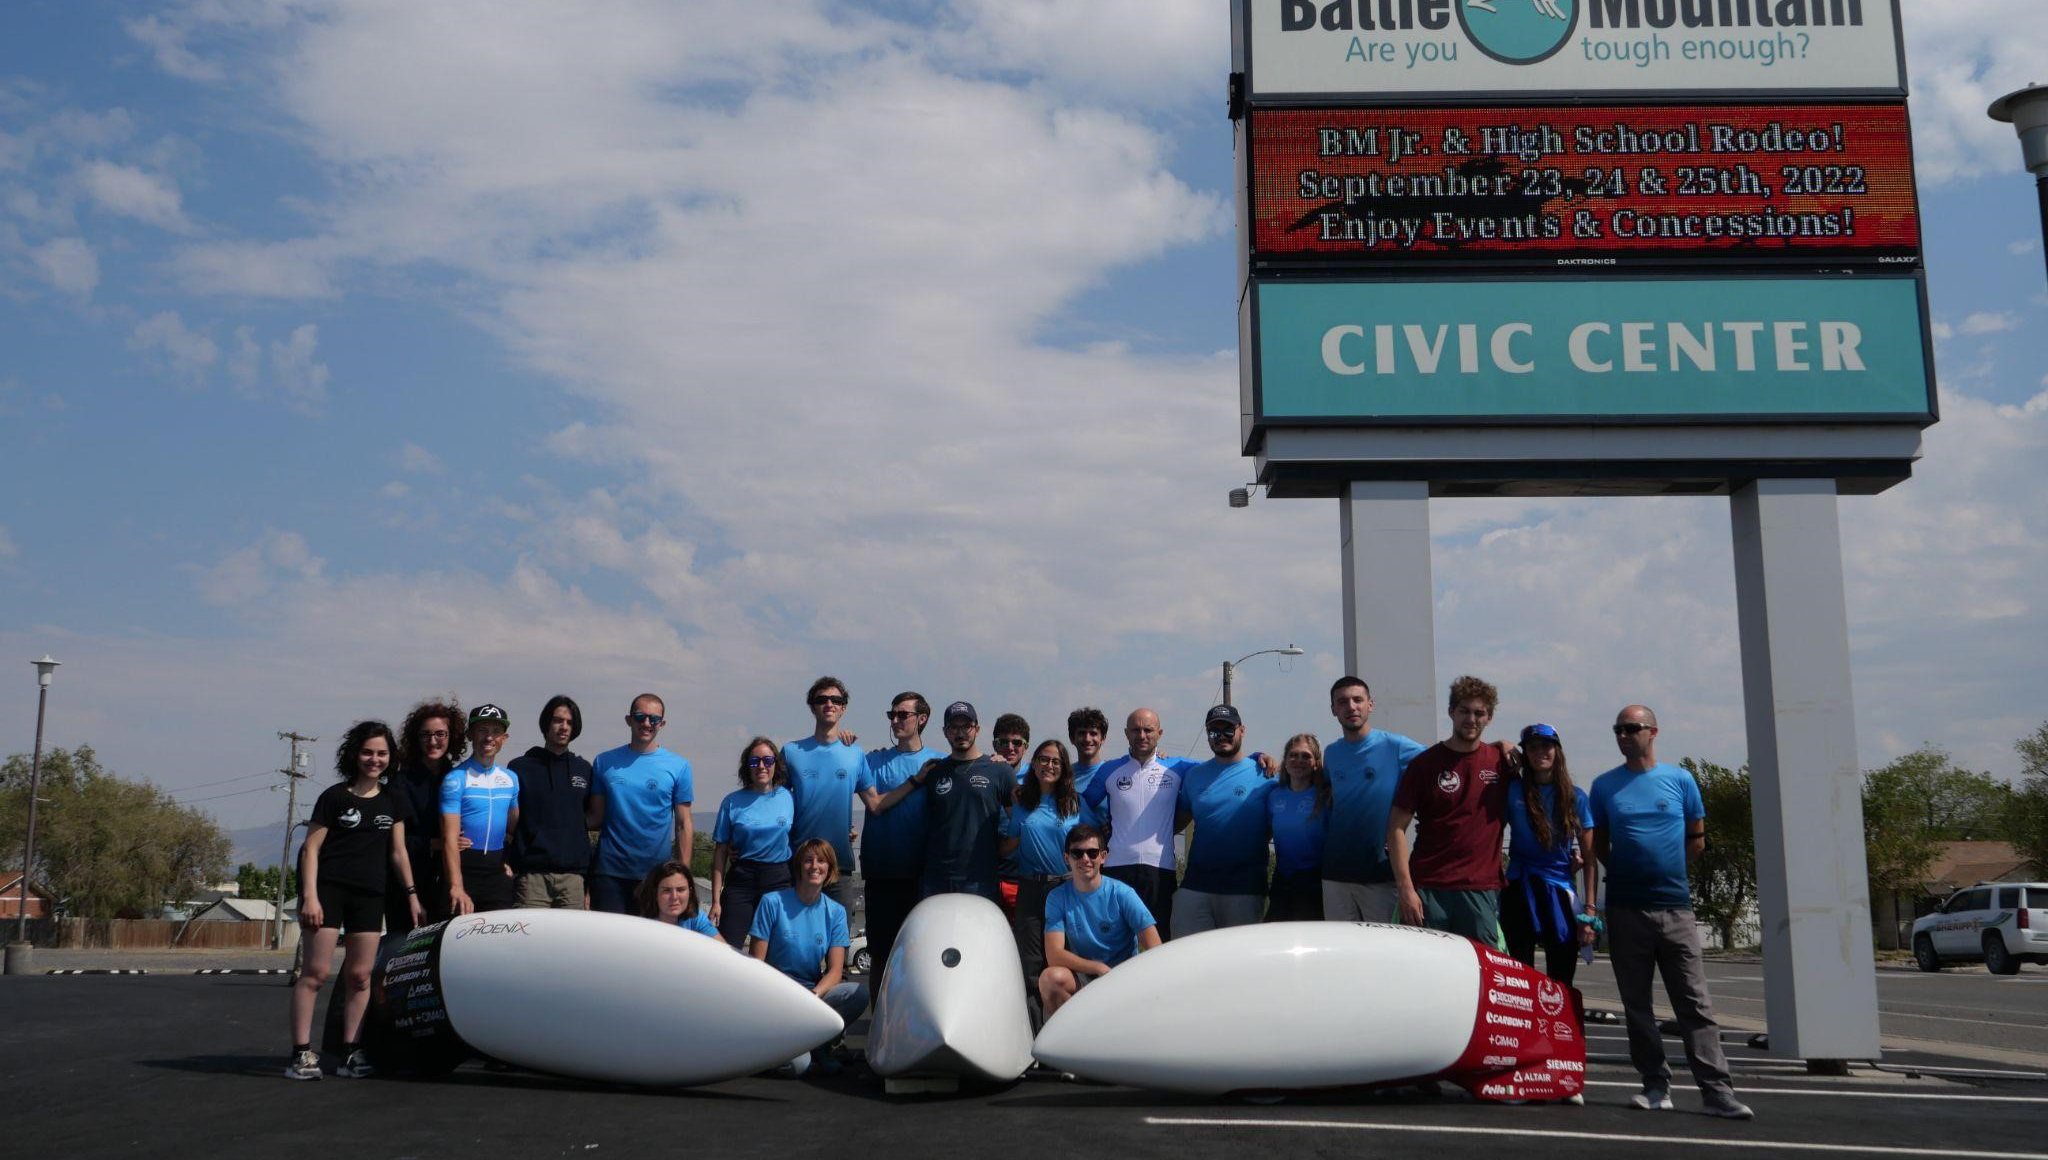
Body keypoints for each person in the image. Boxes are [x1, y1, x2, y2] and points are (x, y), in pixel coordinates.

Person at [1591, 705, 1752, 1120]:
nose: (1624, 735)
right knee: (1637, 1005)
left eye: (1632, 728)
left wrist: (1667, 873)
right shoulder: (1604, 786)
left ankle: (1717, 1092)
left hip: (1675, 910)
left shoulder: (1680, 780)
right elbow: (1600, 845)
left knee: (1694, 1003)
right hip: (1626, 910)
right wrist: (1630, 874)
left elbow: (1697, 841)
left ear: (1653, 732)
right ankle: (1654, 1085)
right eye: (1618, 730)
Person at [287, 721, 423, 1080]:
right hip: (329, 893)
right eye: (367, 752)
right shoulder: (334, 797)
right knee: (315, 974)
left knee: (361, 976)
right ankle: (301, 1054)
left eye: (381, 753)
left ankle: (351, 1052)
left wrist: (411, 894)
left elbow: (398, 853)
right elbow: (310, 849)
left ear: (389, 758)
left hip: (370, 896)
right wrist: (310, 897)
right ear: (354, 754)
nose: (374, 759)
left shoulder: (394, 799)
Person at [1387, 675, 1516, 948]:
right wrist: (1406, 889)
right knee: (1426, 972)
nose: (1471, 719)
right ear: (1451, 713)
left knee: (1483, 973)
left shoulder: (1503, 763)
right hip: (1429, 888)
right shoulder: (1424, 764)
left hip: (1480, 889)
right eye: (1464, 711)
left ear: (1489, 718)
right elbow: (1396, 828)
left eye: (1479, 713)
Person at [871, 701, 1014, 900]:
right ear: (945, 732)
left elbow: (1021, 823)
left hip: (980, 879)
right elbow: (897, 808)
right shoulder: (933, 771)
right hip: (936, 879)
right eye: (953, 727)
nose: (960, 732)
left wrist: (1000, 851)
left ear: (977, 729)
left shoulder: (1000, 770)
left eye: (966, 726)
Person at [749, 838, 869, 1076]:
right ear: (799, 867)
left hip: (812, 993)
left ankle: (820, 1045)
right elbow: (756, 964)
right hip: (775, 995)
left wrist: (813, 997)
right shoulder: (772, 903)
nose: (815, 866)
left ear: (830, 869)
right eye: (808, 860)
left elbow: (835, 972)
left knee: (857, 994)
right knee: (798, 1066)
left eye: (822, 861)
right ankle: (778, 1047)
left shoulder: (835, 912)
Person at [853, 692, 944, 984]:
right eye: (892, 715)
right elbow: (874, 804)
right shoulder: (873, 761)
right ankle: (880, 1023)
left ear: (922, 719)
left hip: (924, 875)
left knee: (923, 956)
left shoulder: (941, 762)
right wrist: (843, 743)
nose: (895, 720)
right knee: (881, 954)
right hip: (883, 872)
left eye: (903, 715)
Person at [1320, 676, 1426, 924]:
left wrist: (1498, 745)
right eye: (1343, 702)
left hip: (1380, 874)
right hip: (1335, 875)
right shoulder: (1332, 753)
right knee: (1340, 952)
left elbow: (1447, 756)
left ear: (1370, 704)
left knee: (1384, 953)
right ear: (1334, 709)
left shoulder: (1396, 746)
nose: (1351, 707)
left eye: (1358, 699)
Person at [1502, 723, 1597, 986]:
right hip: (1519, 886)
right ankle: (1522, 1027)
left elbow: (1590, 859)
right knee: (1519, 974)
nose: (1540, 752)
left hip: (1559, 890)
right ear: (1524, 755)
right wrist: (1501, 743)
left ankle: (1558, 1026)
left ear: (1557, 751)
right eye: (1532, 747)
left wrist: (1590, 910)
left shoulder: (1576, 797)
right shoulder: (1513, 790)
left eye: (1546, 746)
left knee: (1562, 973)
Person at [1079, 708, 1185, 939]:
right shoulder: (1109, 769)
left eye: (1148, 729)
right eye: (1136, 730)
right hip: (1117, 868)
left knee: (1160, 942)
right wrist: (1098, 833)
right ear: (1126, 733)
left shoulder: (1178, 767)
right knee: (1115, 940)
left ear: (1160, 733)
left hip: (1160, 870)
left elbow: (1218, 768)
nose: (1142, 735)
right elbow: (1080, 806)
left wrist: (1258, 757)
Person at [1173, 705, 1275, 936]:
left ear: (1242, 730)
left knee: (1237, 966)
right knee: (1187, 960)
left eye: (1228, 729)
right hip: (1195, 886)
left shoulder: (1266, 775)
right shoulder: (1194, 776)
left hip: (1245, 889)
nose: (1221, 737)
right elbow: (1176, 822)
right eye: (1213, 732)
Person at [588, 693, 695, 915]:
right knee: (608, 944)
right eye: (640, 717)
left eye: (654, 719)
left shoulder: (679, 766)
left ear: (662, 724)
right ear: (629, 720)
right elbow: (595, 817)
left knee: (649, 947)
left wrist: (684, 875)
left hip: (656, 877)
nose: (646, 723)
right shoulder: (604, 762)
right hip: (609, 874)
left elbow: (684, 824)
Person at [1038, 824, 1161, 1016]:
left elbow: (1156, 948)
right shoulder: (1057, 897)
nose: (1085, 859)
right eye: (1077, 853)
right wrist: (1097, 968)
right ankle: (1072, 1042)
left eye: (1092, 853)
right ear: (1066, 858)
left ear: (1103, 857)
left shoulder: (1123, 894)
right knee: (1051, 979)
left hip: (1123, 979)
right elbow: (1054, 955)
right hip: (1085, 977)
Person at [1000, 739, 1085, 1007]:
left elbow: (1094, 838)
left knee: (1066, 960)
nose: (1049, 765)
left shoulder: (1075, 803)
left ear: (1064, 768)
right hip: (1031, 890)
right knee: (1032, 965)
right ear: (1034, 763)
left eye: (1056, 761)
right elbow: (1009, 844)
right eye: (1044, 759)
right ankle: (1034, 1034)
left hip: (1066, 888)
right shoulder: (1023, 801)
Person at [781, 677, 862, 914]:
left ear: (843, 708)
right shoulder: (791, 751)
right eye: (822, 699)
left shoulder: (855, 753)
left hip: (841, 866)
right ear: (812, 706)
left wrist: (915, 781)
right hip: (798, 864)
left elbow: (875, 803)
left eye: (835, 700)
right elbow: (772, 800)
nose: (829, 703)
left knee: (838, 945)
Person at [385, 697, 465, 933]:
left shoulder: (461, 776)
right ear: (415, 738)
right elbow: (393, 842)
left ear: (452, 737)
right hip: (408, 885)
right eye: (425, 735)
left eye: (440, 734)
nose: (433, 741)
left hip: (449, 884)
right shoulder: (400, 782)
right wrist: (436, 844)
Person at [507, 695, 595, 910]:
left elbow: (592, 817)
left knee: (570, 943)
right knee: (529, 942)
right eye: (558, 720)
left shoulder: (584, 769)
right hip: (532, 878)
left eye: (570, 722)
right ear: (546, 723)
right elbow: (509, 821)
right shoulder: (520, 768)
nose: (564, 727)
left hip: (573, 879)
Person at [710, 737, 795, 947]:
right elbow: (720, 852)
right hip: (742, 880)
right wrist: (715, 901)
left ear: (776, 763)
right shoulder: (731, 801)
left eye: (767, 760)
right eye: (754, 761)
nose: (761, 766)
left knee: (777, 949)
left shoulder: (789, 798)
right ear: (747, 766)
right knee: (728, 948)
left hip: (778, 878)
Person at [441, 704, 521, 916]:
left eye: (495, 731)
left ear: (504, 737)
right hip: (465, 872)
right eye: (482, 730)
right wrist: (456, 886)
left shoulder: (511, 779)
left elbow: (515, 828)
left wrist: (509, 861)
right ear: (470, 734)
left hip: (497, 874)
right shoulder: (455, 779)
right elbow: (449, 838)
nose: (489, 737)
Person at [1266, 733, 1330, 921]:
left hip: (1314, 883)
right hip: (1282, 880)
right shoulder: (1274, 796)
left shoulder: (1326, 797)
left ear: (1316, 762)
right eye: (1293, 755)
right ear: (1284, 761)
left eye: (1306, 756)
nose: (1298, 760)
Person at [638, 859, 721, 938]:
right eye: (666, 890)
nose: (674, 897)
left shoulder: (697, 918)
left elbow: (722, 949)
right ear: (655, 894)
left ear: (690, 892)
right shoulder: (642, 927)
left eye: (680, 890)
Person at [1066, 707, 1111, 798]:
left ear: (1103, 738)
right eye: (1082, 733)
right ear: (1072, 738)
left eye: (1093, 733)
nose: (1087, 739)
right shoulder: (1064, 775)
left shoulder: (1112, 773)